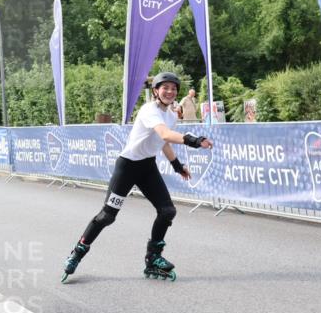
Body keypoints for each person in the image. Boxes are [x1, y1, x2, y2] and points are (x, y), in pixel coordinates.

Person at [62, 72, 213, 282]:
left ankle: (153, 258)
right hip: (128, 167)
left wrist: (177, 166)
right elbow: (165, 135)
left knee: (167, 211)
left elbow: (163, 143)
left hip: (147, 167)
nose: (170, 91)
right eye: (165, 87)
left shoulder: (170, 115)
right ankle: (77, 252)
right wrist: (195, 140)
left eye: (173, 88)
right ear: (156, 91)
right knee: (107, 216)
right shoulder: (149, 110)